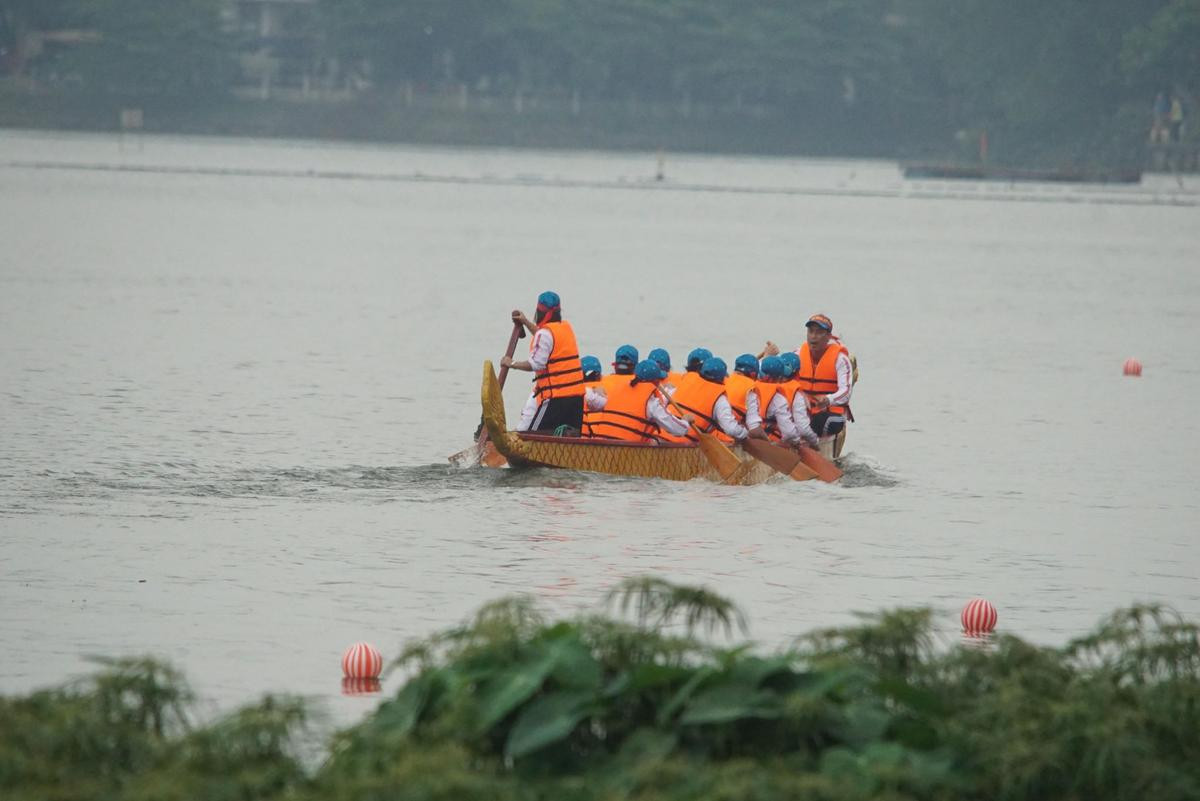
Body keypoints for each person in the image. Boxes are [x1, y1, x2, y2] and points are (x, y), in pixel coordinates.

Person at [501, 291, 585, 433]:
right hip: (576, 399)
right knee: (566, 436)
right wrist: (526, 322)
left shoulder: (545, 333)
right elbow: (546, 339)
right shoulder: (565, 328)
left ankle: (518, 452)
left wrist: (511, 363)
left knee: (531, 435)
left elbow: (536, 364)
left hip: (555, 399)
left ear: (540, 312)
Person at [586, 360, 690, 442]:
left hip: (602, 447)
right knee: (655, 441)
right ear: (656, 381)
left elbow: (590, 399)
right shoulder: (652, 403)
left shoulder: (615, 392)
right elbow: (678, 430)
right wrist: (686, 422)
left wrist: (593, 388)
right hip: (627, 453)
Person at [794, 313, 853, 440]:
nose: (813, 336)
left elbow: (846, 392)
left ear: (828, 336)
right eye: (810, 331)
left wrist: (828, 399)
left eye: (819, 332)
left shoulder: (840, 359)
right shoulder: (797, 355)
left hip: (830, 412)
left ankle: (810, 443)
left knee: (821, 422)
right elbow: (781, 378)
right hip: (803, 411)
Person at [668, 357, 749, 443]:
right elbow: (731, 429)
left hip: (658, 440)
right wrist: (746, 434)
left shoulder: (684, 382)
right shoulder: (720, 400)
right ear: (723, 378)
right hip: (684, 448)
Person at [759, 355, 818, 448]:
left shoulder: (752, 388)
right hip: (775, 441)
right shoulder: (792, 395)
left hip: (752, 436)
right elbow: (801, 429)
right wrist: (814, 442)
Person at [723, 354, 769, 439]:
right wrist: (769, 442)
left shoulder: (724, 380)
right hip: (731, 436)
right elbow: (754, 429)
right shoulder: (750, 389)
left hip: (716, 433)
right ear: (753, 374)